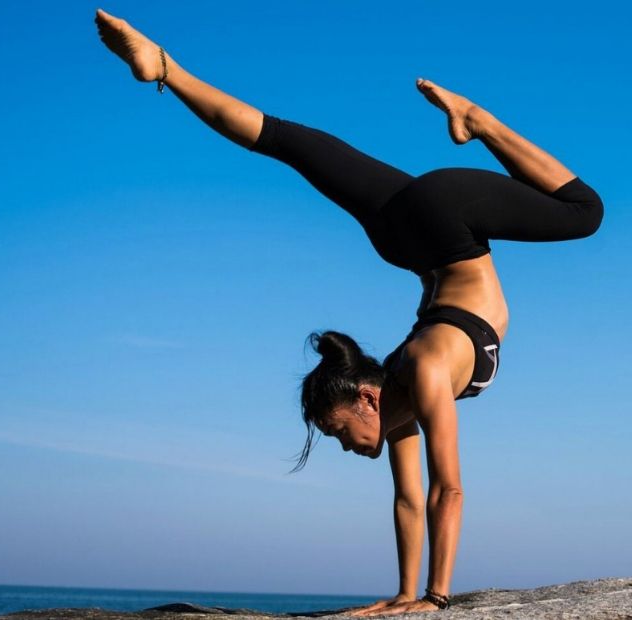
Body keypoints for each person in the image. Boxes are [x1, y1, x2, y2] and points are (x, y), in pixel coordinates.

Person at [95, 8, 603, 617]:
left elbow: (450, 488)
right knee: (284, 141)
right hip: (406, 236)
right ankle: (165, 68)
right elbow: (409, 501)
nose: (344, 447)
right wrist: (404, 596)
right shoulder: (400, 397)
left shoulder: (419, 373)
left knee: (584, 212)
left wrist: (436, 601)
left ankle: (478, 120)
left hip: (447, 223)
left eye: (337, 431)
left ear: (366, 398)